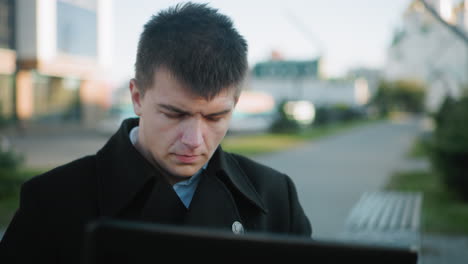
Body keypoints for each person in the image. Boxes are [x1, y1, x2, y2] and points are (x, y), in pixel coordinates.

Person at [0, 2, 311, 263]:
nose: (194, 141)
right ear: (137, 97)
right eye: (175, 114)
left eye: (216, 117)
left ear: (235, 104)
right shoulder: (52, 202)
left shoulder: (275, 196)